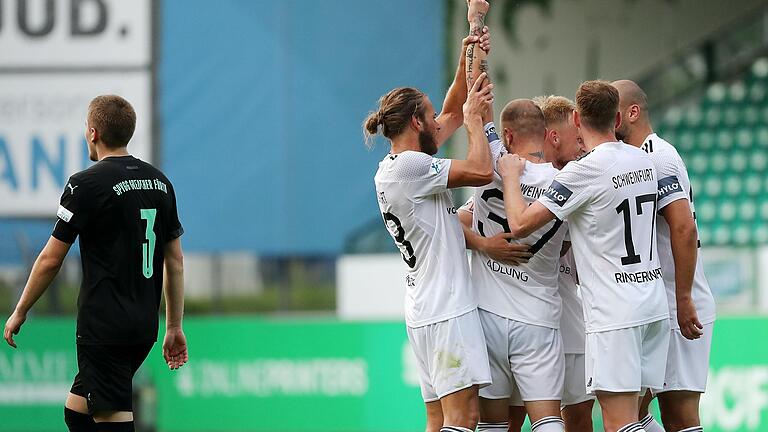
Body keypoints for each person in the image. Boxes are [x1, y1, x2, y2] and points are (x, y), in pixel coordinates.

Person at [3, 95, 187, 432]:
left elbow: (49, 259)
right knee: (78, 413)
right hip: (143, 327)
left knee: (112, 421)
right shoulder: (160, 183)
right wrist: (173, 325)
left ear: (92, 133)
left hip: (104, 328)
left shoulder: (85, 184)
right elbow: (174, 262)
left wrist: (20, 310)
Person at [496, 80, 670, 432]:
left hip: (615, 312)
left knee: (618, 423)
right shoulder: (645, 160)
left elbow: (519, 224)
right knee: (639, 416)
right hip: (653, 302)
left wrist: (511, 177)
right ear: (617, 118)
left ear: (576, 119)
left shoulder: (584, 171)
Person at [364, 2, 494, 430]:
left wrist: (469, 43)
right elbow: (480, 168)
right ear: (418, 122)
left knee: (438, 420)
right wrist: (477, 123)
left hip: (425, 309)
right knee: (463, 417)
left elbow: (454, 108)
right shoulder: (411, 167)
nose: (438, 117)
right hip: (446, 310)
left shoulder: (396, 164)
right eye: (429, 111)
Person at [614, 79, 716, 432]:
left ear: (632, 112)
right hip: (654, 302)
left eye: (613, 115)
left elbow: (684, 229)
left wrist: (683, 297)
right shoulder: (629, 159)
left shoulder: (659, 156)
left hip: (678, 304)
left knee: (679, 413)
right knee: (631, 407)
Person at [534, 95, 594, 432]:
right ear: (555, 136)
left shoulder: (587, 179)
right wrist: (489, 245)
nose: (584, 147)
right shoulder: (518, 179)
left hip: (571, 322)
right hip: (528, 325)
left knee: (579, 419)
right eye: (578, 139)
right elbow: (465, 220)